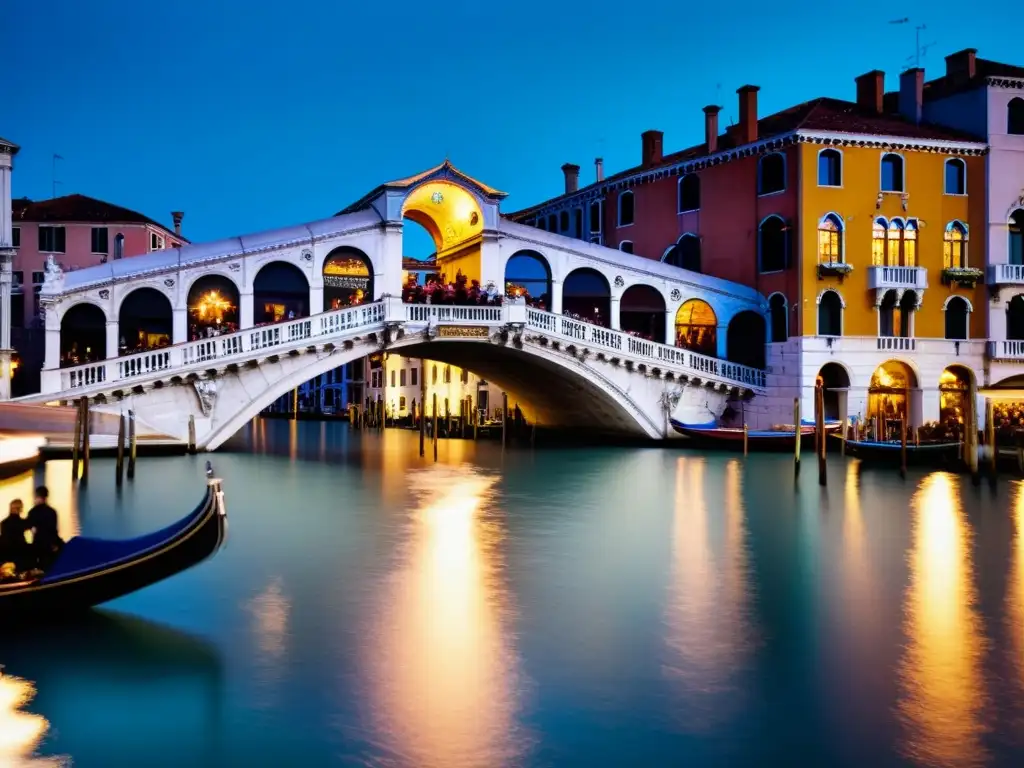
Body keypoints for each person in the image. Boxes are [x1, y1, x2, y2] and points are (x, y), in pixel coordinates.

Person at [26, 486, 63, 570]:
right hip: (49, 545)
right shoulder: (52, 512)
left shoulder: (32, 512)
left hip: (39, 545)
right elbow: (53, 530)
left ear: (38, 497)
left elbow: (28, 526)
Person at [0, 499, 29, 572]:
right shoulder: (22, 522)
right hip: (19, 554)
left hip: (5, 554)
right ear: (19, 509)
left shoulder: (4, 523)